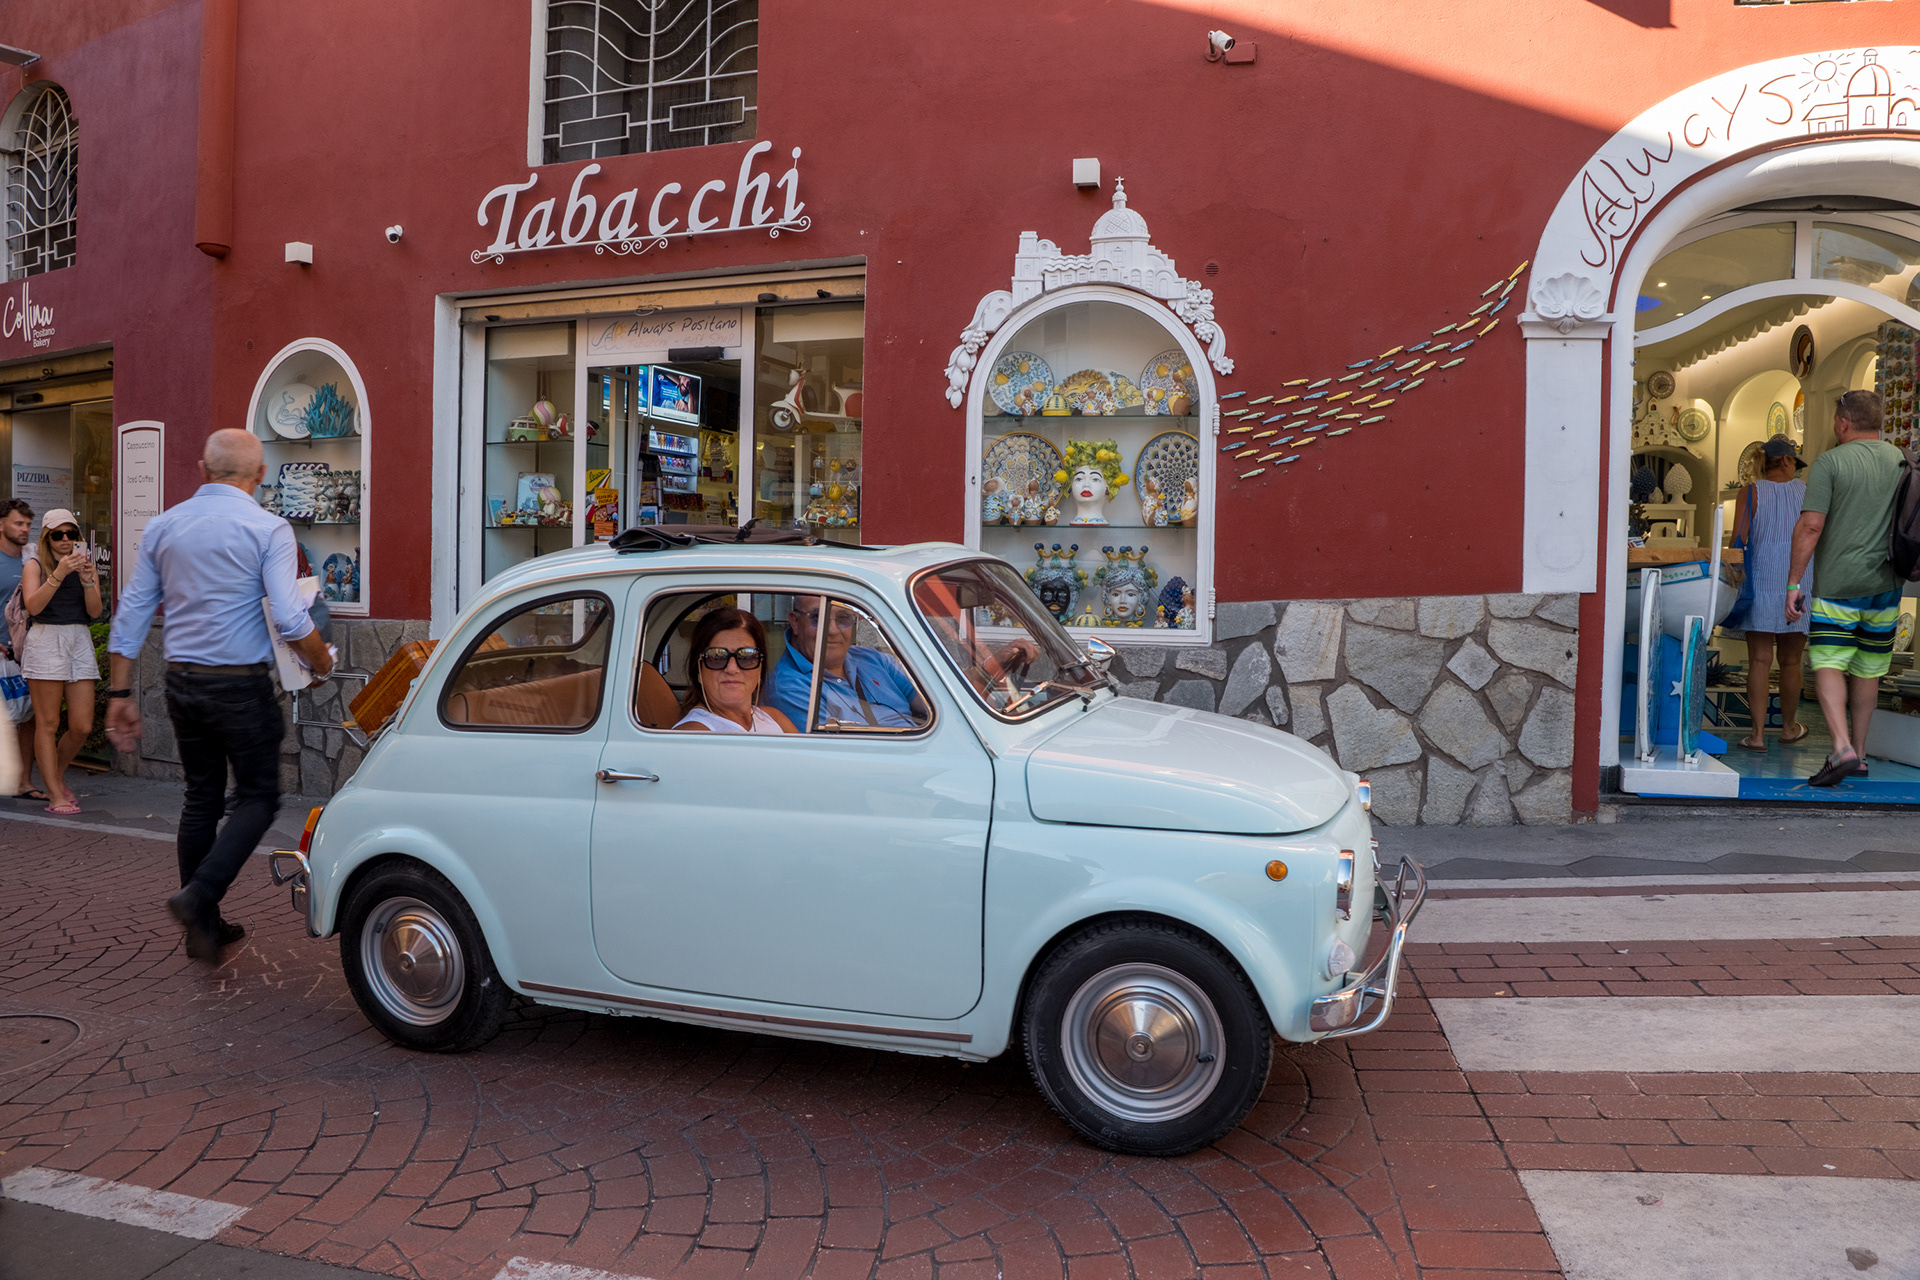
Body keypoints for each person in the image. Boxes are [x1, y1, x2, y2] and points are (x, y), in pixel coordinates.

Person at [105, 429, 334, 961]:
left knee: (201, 797)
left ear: (202, 469)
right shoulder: (268, 526)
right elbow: (288, 614)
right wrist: (319, 662)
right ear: (258, 477)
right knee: (258, 796)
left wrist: (119, 691)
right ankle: (199, 895)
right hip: (238, 683)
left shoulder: (164, 525)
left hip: (183, 681)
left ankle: (201, 928)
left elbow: (134, 609)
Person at [1784, 391, 1905, 787]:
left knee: (1829, 662)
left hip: (1839, 585)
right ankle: (1862, 752)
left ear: (1842, 423)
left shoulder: (1830, 463)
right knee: (1868, 670)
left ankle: (1841, 748)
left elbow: (1811, 526)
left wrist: (1793, 583)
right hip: (1887, 584)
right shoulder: (1902, 461)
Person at [19, 509, 105, 814]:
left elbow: (95, 612)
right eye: (58, 534)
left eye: (71, 534)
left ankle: (54, 775)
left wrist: (85, 579)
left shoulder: (85, 565)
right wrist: (58, 574)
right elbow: (33, 606)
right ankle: (55, 794)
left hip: (78, 639)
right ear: (47, 538)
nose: (66, 540)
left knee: (81, 725)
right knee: (49, 722)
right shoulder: (35, 565)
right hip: (46, 639)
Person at [1731, 436, 1810, 751]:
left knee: (1759, 660)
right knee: (1791, 662)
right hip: (1801, 583)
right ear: (1788, 461)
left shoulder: (1750, 492)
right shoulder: (1807, 492)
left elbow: (1739, 538)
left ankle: (1758, 735)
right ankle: (1789, 728)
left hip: (1761, 582)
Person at [764, 595, 927, 730]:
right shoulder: (788, 688)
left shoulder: (874, 659)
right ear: (795, 622)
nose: (833, 630)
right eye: (818, 617)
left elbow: (936, 702)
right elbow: (842, 757)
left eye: (843, 618)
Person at [673, 606, 796, 734]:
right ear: (698, 669)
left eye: (746, 656)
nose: (732, 669)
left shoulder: (776, 719)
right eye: (717, 656)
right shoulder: (693, 735)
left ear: (760, 667)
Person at [0, 497, 43, 800]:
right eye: (18, 523)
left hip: (26, 653)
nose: (25, 529)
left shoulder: (32, 559)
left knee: (28, 718)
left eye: (28, 524)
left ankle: (23, 782)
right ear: (1, 525)